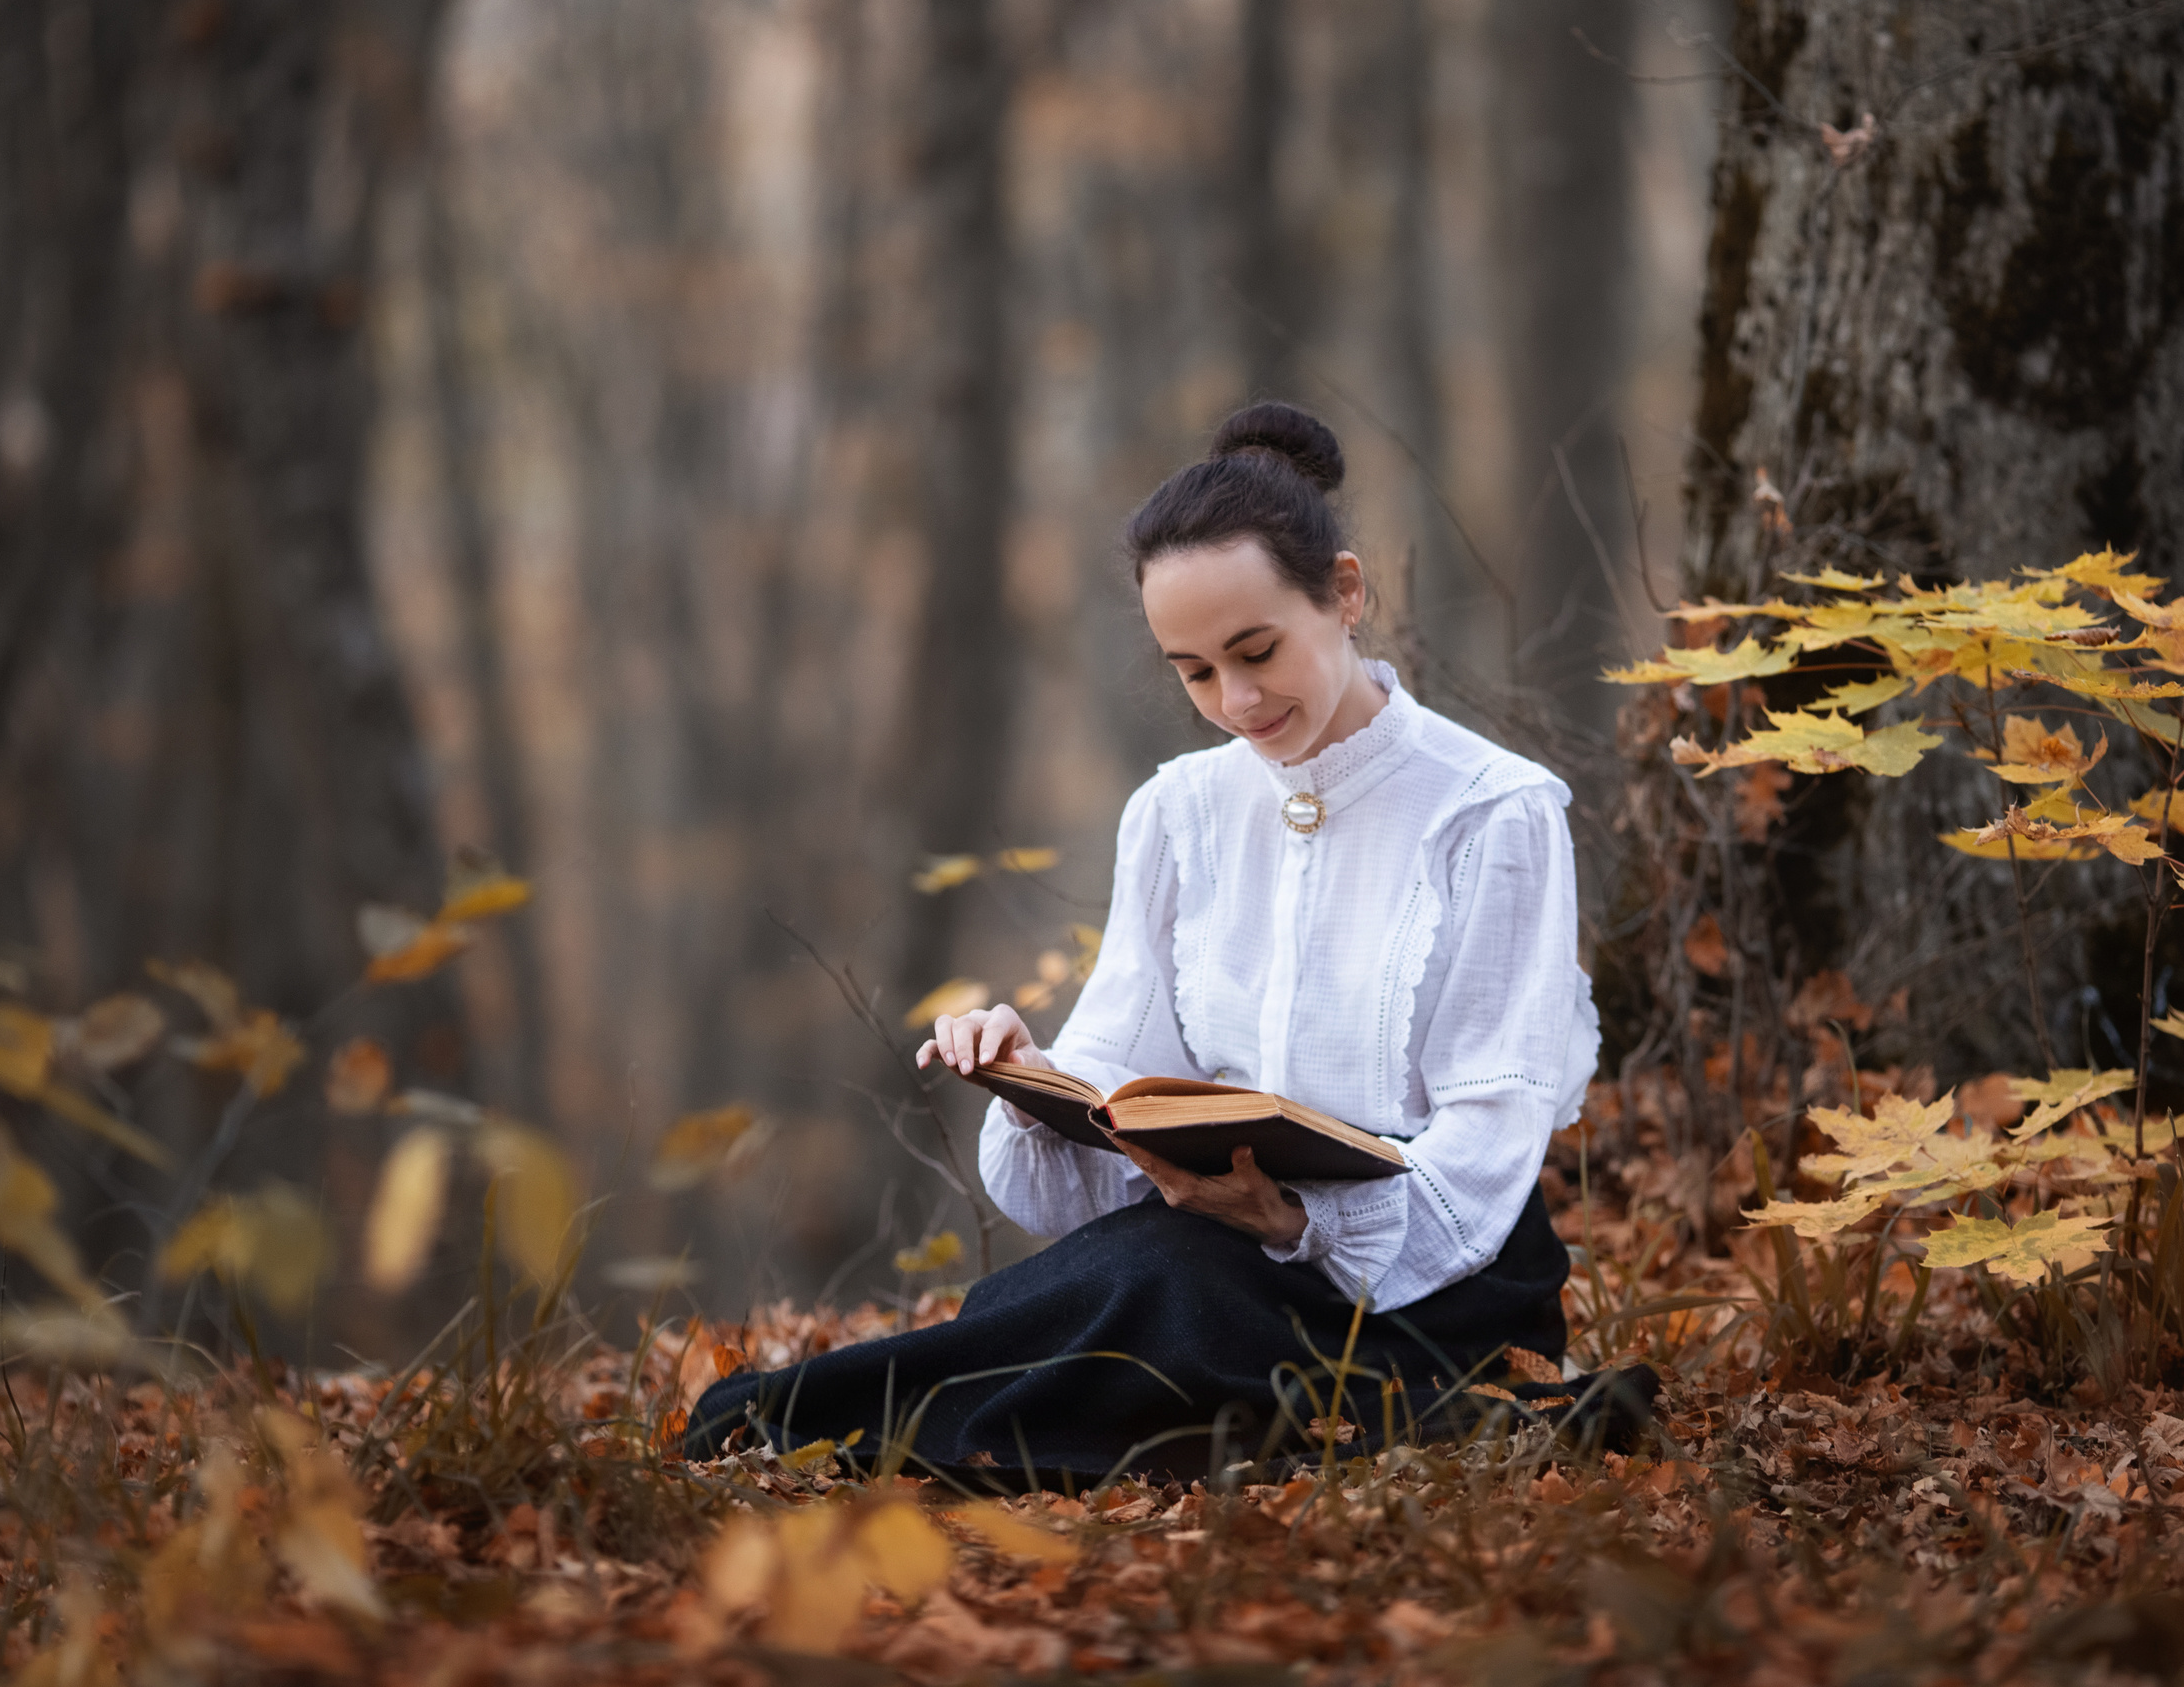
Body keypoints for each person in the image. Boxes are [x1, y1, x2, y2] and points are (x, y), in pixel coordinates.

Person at [684, 401, 1645, 1487]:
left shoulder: (1490, 811)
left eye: (1256, 651)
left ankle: (833, 1430)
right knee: (1086, 1289)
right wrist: (1029, 1078)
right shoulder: (1177, 814)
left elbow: (1487, 1136)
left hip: (1437, 1283)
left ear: (1344, 592)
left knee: (1160, 1300)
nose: (1234, 701)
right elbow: (1120, 1079)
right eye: (1193, 672)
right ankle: (809, 1426)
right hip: (1216, 1255)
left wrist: (1296, 1224)